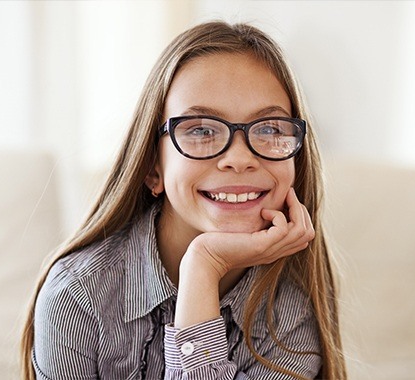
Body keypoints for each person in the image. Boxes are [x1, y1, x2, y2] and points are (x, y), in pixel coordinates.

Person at [21, 21, 347, 379]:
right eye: (202, 130)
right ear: (152, 168)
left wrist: (203, 268)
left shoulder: (290, 313)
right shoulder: (77, 296)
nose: (239, 159)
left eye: (270, 128)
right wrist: (205, 265)